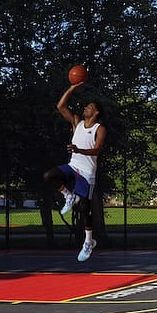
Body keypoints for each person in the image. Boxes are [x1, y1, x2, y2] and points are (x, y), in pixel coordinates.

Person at [43, 81, 106, 262]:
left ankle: (88, 241)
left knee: (85, 208)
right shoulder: (77, 122)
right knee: (49, 176)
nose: (86, 108)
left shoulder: (99, 129)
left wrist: (78, 150)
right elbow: (60, 106)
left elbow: (96, 150)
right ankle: (68, 195)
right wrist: (72, 87)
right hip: (73, 166)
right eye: (86, 106)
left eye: (90, 107)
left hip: (87, 173)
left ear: (96, 112)